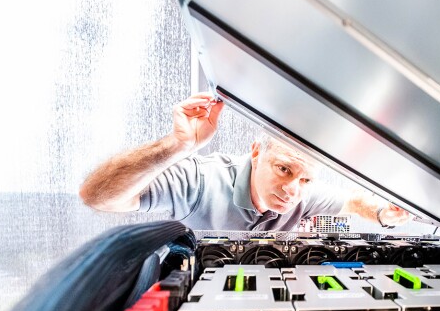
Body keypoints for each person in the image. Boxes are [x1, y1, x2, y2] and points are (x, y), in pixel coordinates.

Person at [79, 93, 410, 231]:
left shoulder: (303, 194)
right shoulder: (200, 181)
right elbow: (98, 197)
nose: (294, 189)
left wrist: (383, 212)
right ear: (256, 152)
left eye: (306, 179)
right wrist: (176, 145)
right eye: (284, 169)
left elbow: (353, 201)